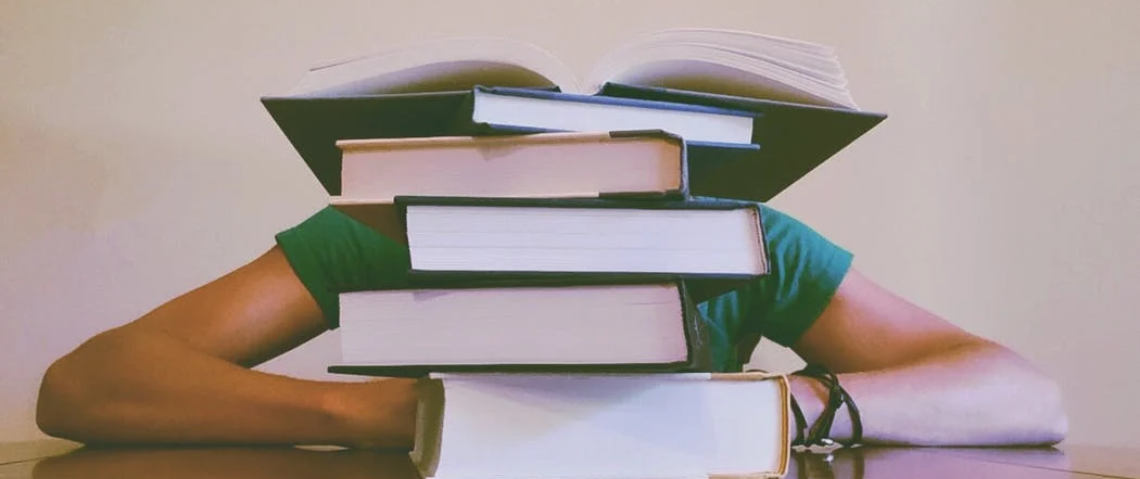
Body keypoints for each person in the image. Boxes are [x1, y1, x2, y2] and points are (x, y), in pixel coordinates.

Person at [35, 203, 1068, 449]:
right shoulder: (394, 225)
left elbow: (1024, 391)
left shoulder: (739, 240)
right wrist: (392, 413)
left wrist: (794, 404)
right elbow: (86, 383)